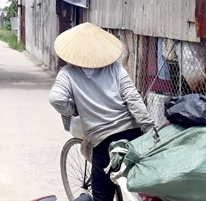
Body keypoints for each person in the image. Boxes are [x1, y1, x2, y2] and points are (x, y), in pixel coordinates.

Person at [49, 22, 155, 201]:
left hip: (104, 141)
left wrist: (73, 110)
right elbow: (133, 98)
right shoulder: (115, 67)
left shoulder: (68, 73)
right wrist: (149, 129)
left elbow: (56, 99)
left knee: (102, 194)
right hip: (133, 133)